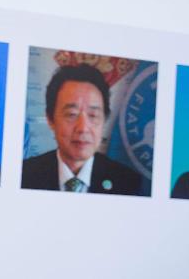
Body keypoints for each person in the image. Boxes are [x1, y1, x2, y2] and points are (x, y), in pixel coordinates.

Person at [21, 64, 150, 196]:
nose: (83, 128)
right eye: (71, 114)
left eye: (93, 115)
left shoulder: (129, 183)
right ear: (50, 119)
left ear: (104, 120)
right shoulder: (23, 175)